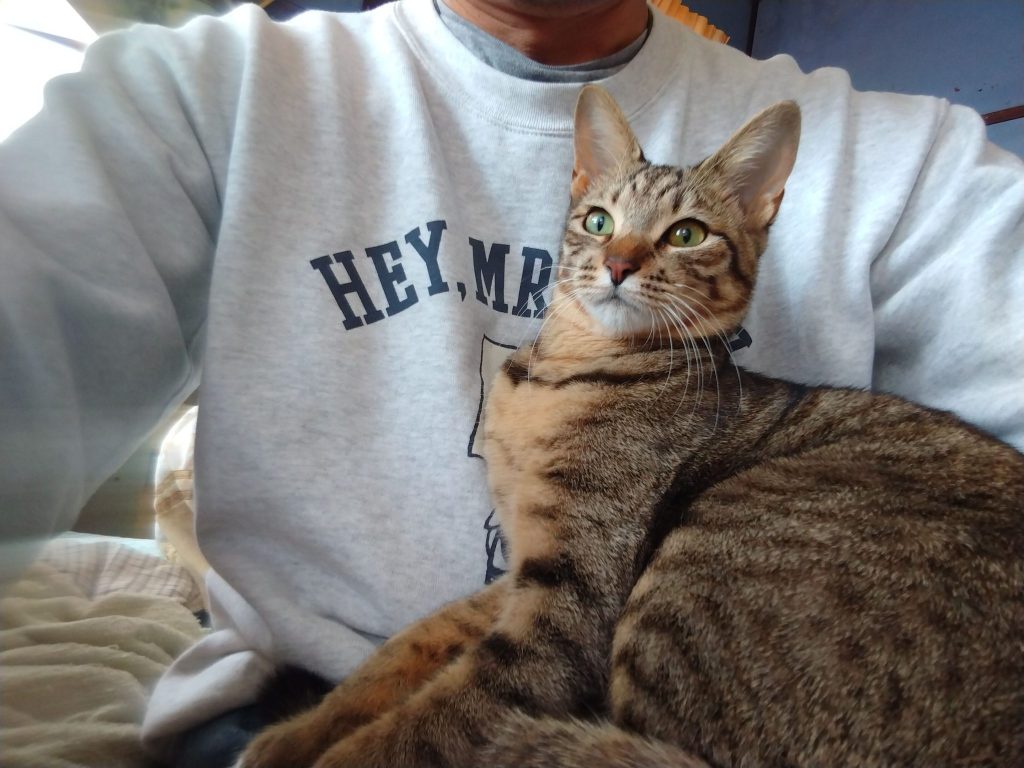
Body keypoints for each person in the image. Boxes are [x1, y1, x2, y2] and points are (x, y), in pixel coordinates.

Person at [1, 0, 1021, 765]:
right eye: (602, 223)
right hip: (296, 697)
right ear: (581, 189)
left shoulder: (914, 162)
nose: (622, 258)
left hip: (716, 702)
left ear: (757, 213)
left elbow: (566, 620)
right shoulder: (202, 89)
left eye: (677, 235)